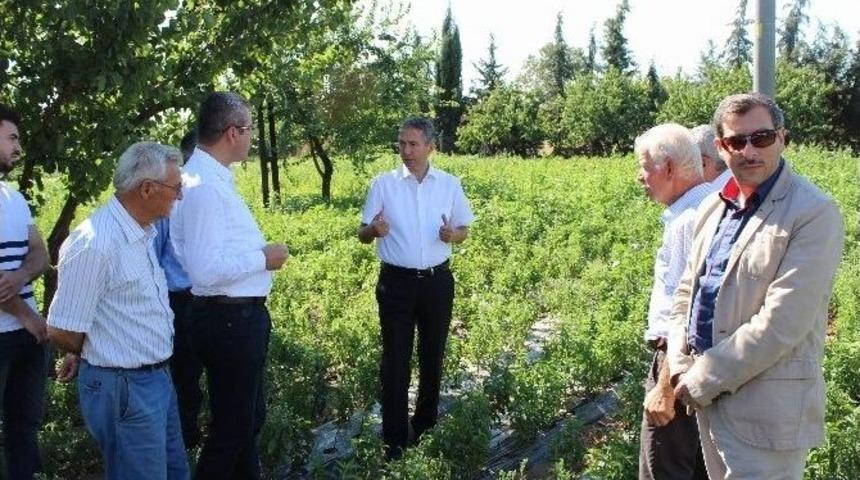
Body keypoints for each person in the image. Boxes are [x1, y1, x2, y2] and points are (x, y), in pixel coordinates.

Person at [668, 93, 844, 479]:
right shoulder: (715, 206)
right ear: (719, 147)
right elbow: (687, 293)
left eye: (761, 138)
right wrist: (679, 364)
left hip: (766, 412)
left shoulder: (812, 212)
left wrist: (702, 378)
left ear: (782, 138)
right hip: (707, 397)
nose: (749, 150)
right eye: (735, 141)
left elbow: (783, 321)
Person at [46, 141, 189, 480]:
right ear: (147, 189)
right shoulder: (96, 243)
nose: (179, 196)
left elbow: (113, 310)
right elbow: (62, 330)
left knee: (173, 472)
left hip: (153, 380)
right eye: (176, 188)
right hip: (125, 387)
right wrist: (97, 348)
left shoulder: (140, 232)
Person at [170, 92, 288, 480]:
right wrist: (263, 259)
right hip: (228, 321)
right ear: (233, 132)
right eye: (250, 128)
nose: (252, 136)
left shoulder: (209, 178)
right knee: (231, 430)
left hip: (233, 318)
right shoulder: (204, 187)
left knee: (246, 421)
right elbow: (204, 271)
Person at [357, 116, 474, 459]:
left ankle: (424, 428)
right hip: (396, 284)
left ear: (430, 147)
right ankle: (394, 441)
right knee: (395, 361)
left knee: (432, 356)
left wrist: (454, 235)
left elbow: (464, 229)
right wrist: (373, 231)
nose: (405, 151)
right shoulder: (383, 184)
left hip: (437, 282)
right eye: (401, 143)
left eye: (412, 144)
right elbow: (362, 233)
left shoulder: (449, 185)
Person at [635, 123, 711, 480]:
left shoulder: (688, 220)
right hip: (703, 367)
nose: (640, 176)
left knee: (665, 467)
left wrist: (665, 387)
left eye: (644, 166)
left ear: (668, 168)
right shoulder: (711, 207)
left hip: (678, 363)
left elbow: (689, 311)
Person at [0, 105, 51, 480]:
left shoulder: (13, 197)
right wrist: (26, 314)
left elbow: (41, 252)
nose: (18, 147)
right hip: (12, 332)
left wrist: (18, 275)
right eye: (12, 137)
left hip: (26, 337)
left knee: (24, 428)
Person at [153, 129, 201, 450]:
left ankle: (190, 438)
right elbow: (153, 260)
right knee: (180, 375)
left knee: (193, 375)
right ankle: (181, 444)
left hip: (201, 299)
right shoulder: (169, 200)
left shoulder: (208, 193)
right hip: (175, 301)